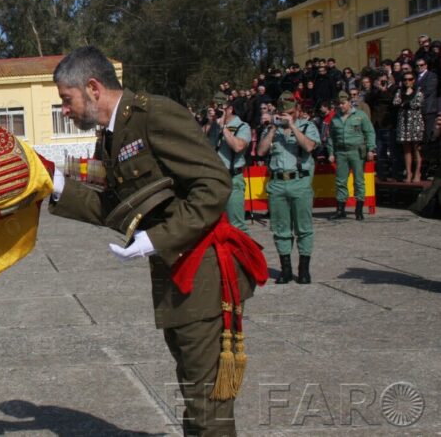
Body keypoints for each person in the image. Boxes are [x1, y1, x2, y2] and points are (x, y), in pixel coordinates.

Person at [48, 46, 265, 436]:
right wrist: (56, 185)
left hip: (204, 274)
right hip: (175, 276)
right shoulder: (111, 137)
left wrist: (154, 239)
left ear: (93, 87)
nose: (65, 109)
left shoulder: (154, 115)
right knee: (196, 395)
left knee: (207, 405)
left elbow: (215, 184)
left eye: (67, 99)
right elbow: (115, 206)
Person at [257, 91, 320, 284]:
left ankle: (303, 269)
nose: (287, 116)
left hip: (299, 182)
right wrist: (274, 129)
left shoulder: (307, 126)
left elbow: (309, 147)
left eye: (291, 113)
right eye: (284, 113)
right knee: (281, 229)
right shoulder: (271, 129)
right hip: (277, 183)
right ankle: (286, 269)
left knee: (304, 228)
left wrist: (292, 126)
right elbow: (260, 151)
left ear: (297, 111)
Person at [327, 91, 376, 220]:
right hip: (341, 152)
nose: (341, 106)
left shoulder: (360, 116)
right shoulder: (335, 118)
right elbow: (331, 138)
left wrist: (371, 149)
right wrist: (331, 152)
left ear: (349, 102)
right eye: (339, 104)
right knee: (340, 181)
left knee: (359, 181)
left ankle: (358, 210)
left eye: (343, 103)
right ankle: (340, 210)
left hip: (357, 151)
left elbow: (370, 132)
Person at [216, 99, 252, 234]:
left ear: (230, 109)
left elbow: (238, 147)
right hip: (214, 180)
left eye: (221, 108)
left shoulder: (242, 126)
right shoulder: (212, 127)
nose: (218, 112)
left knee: (236, 226)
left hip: (232, 178)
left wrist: (224, 128)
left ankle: (243, 255)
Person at [394, 72, 425, 182]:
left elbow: (416, 104)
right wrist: (405, 103)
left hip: (415, 122)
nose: (407, 81)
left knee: (416, 148)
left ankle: (417, 172)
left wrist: (404, 103)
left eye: (410, 79)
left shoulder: (419, 91)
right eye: (405, 79)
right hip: (403, 122)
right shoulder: (400, 91)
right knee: (406, 150)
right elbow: (396, 102)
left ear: (414, 80)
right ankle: (409, 173)